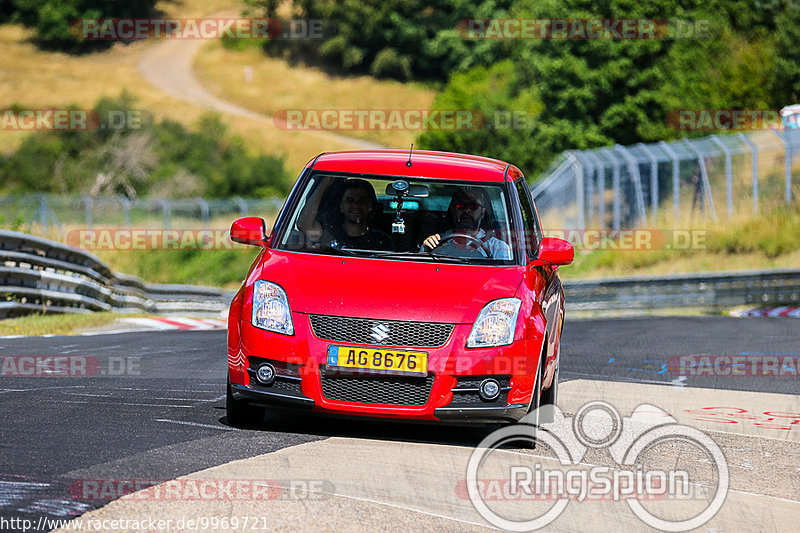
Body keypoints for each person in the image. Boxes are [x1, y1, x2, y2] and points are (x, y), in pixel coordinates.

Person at [296, 176, 393, 250]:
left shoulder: (382, 241)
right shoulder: (327, 233)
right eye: (350, 200)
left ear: (370, 206)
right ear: (341, 206)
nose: (355, 205)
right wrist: (323, 186)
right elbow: (303, 225)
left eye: (361, 201)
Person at [422, 186, 512, 260]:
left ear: (483, 212)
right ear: (453, 210)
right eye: (461, 206)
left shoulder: (497, 247)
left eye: (474, 206)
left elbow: (505, 276)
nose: (467, 210)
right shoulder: (436, 242)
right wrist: (426, 251)